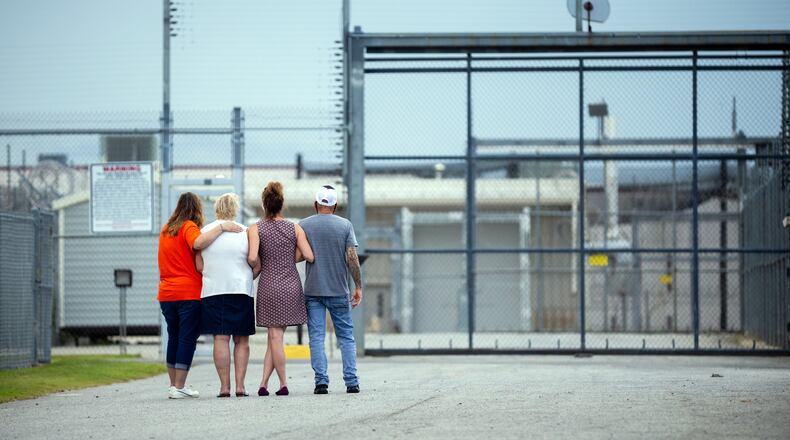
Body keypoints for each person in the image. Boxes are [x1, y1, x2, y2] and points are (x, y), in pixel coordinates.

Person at [158, 192, 243, 399]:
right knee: (187, 338)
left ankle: (173, 385)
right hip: (187, 293)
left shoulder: (166, 230)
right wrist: (222, 226)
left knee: (174, 338)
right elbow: (198, 243)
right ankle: (180, 386)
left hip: (167, 294)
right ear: (196, 209)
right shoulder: (188, 227)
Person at [247, 181, 314, 397]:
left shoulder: (256, 228)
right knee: (274, 338)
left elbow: (251, 257)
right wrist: (288, 258)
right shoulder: (294, 227)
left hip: (269, 285)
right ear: (281, 204)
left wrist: (261, 262)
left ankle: (283, 383)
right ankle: (264, 383)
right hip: (291, 285)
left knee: (274, 337)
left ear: (264, 204)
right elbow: (308, 255)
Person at [300, 185, 363, 394]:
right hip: (338, 289)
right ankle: (351, 382)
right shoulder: (345, 225)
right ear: (335, 205)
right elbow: (352, 258)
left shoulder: (304, 225)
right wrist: (358, 287)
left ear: (315, 204)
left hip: (313, 291)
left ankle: (321, 382)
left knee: (316, 337)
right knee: (345, 337)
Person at [195, 193, 255, 398]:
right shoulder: (246, 232)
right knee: (242, 340)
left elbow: (198, 265)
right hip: (240, 289)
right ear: (235, 209)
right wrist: (246, 275)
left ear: (217, 208)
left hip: (213, 290)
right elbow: (256, 262)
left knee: (220, 339)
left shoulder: (204, 232)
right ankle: (240, 386)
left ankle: (224, 387)